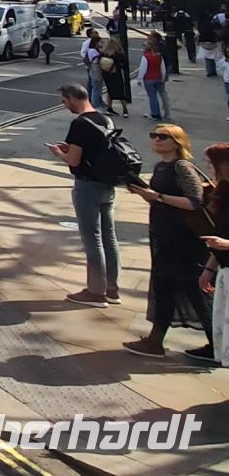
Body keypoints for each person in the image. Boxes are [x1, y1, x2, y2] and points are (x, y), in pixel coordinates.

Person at [123, 123, 212, 359]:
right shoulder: (161, 166)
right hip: (163, 236)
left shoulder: (182, 167)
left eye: (163, 137)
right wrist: (147, 195)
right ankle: (155, 341)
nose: (156, 139)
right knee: (165, 287)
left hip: (183, 239)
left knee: (193, 289)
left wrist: (158, 196)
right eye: (153, 135)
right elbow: (160, 201)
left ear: (177, 142)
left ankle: (216, 341)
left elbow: (195, 202)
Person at [51, 84, 122, 306]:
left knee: (92, 239)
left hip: (87, 185)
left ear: (72, 98)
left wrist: (59, 154)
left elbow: (74, 160)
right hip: (107, 184)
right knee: (109, 237)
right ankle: (112, 288)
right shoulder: (105, 119)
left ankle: (95, 292)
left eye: (64, 101)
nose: (65, 106)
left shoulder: (79, 123)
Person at [197, 143, 229, 366]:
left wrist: (226, 244)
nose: (208, 167)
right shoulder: (223, 192)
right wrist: (209, 268)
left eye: (212, 163)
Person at [99, 31, 132, 117]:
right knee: (120, 92)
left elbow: (99, 63)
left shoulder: (103, 53)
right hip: (116, 74)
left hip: (106, 74)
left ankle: (109, 108)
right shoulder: (118, 54)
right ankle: (125, 110)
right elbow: (125, 64)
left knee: (110, 91)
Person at [140, 32, 171, 120]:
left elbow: (143, 68)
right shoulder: (160, 49)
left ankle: (157, 113)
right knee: (160, 93)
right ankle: (162, 112)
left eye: (150, 37)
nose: (148, 38)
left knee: (156, 94)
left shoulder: (155, 51)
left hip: (152, 76)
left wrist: (140, 79)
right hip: (159, 75)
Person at [79, 28, 106, 109]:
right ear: (90, 34)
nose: (97, 34)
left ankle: (97, 101)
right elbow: (83, 53)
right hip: (92, 66)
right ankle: (92, 102)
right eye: (95, 33)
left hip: (96, 66)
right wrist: (89, 63)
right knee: (93, 85)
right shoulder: (88, 43)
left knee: (96, 86)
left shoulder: (97, 42)